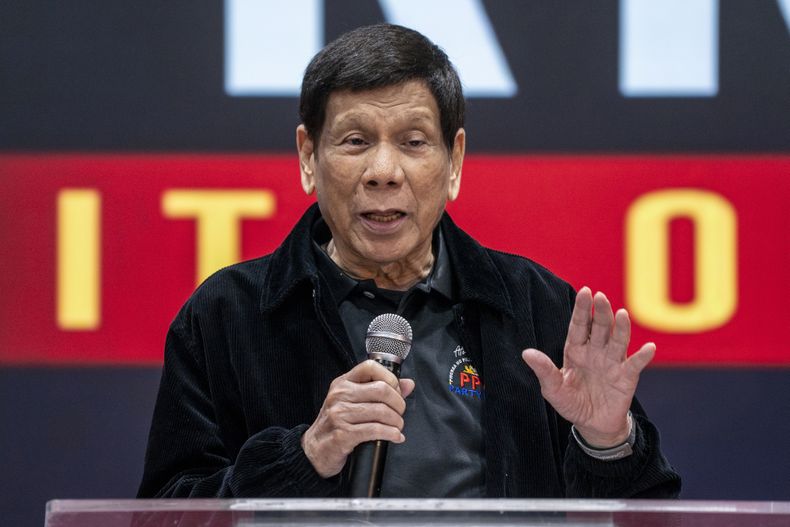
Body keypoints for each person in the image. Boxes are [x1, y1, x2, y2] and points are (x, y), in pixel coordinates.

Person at [137, 24, 680, 499]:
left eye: (413, 142)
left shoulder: (536, 307)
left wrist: (607, 441)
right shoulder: (226, 315)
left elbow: (645, 513)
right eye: (354, 141)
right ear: (308, 157)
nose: (383, 171)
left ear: (454, 162)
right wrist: (303, 458)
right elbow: (166, 514)